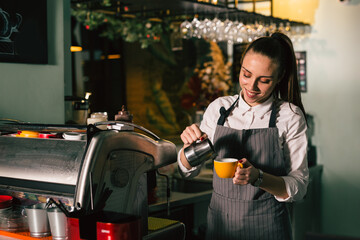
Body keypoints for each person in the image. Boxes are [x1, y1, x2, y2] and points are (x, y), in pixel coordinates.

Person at [177, 32, 309, 240]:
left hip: (269, 229)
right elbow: (187, 171)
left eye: (264, 80)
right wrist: (190, 145)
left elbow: (298, 187)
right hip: (220, 228)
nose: (251, 87)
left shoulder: (289, 116)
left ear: (279, 77)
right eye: (246, 74)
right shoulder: (218, 109)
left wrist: (259, 177)